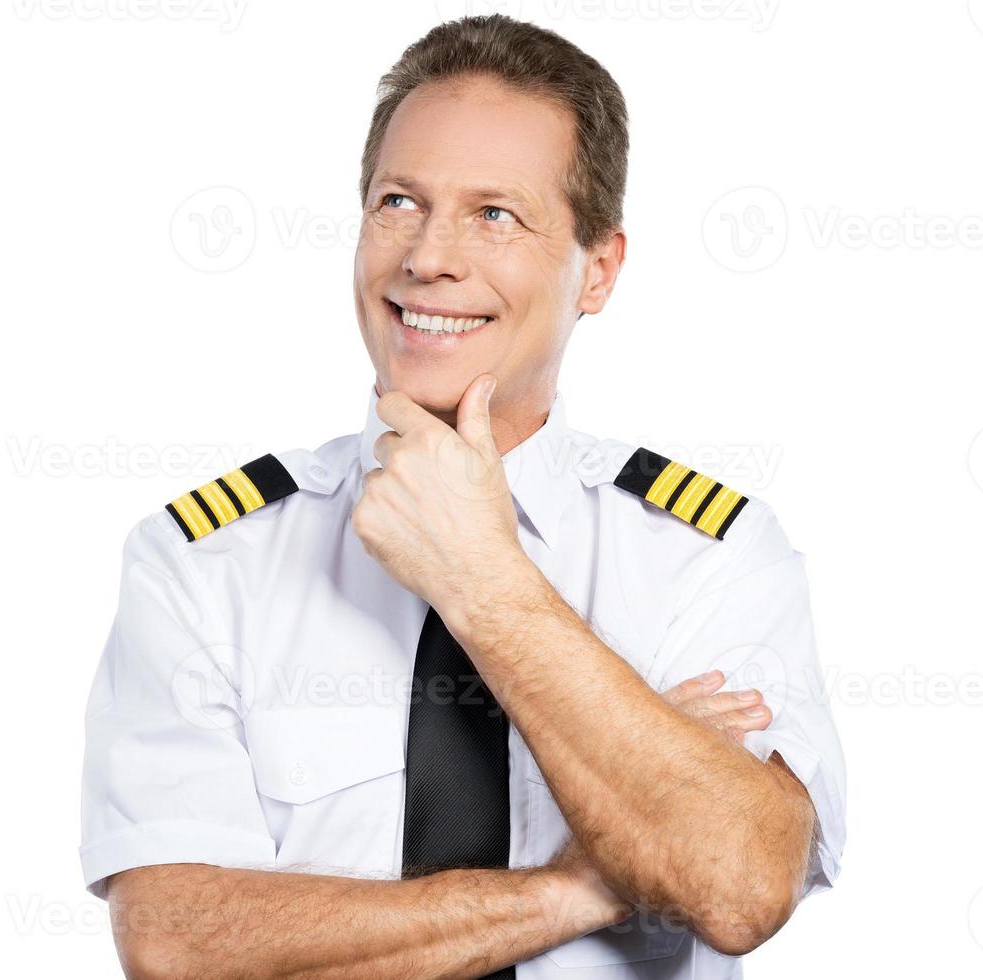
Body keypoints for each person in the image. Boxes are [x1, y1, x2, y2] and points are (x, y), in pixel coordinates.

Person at [79, 14, 846, 978]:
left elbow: (736, 885)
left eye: (495, 214)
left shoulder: (709, 555)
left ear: (597, 270)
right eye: (398, 201)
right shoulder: (203, 560)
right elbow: (177, 947)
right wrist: (588, 881)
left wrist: (482, 579)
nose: (429, 256)